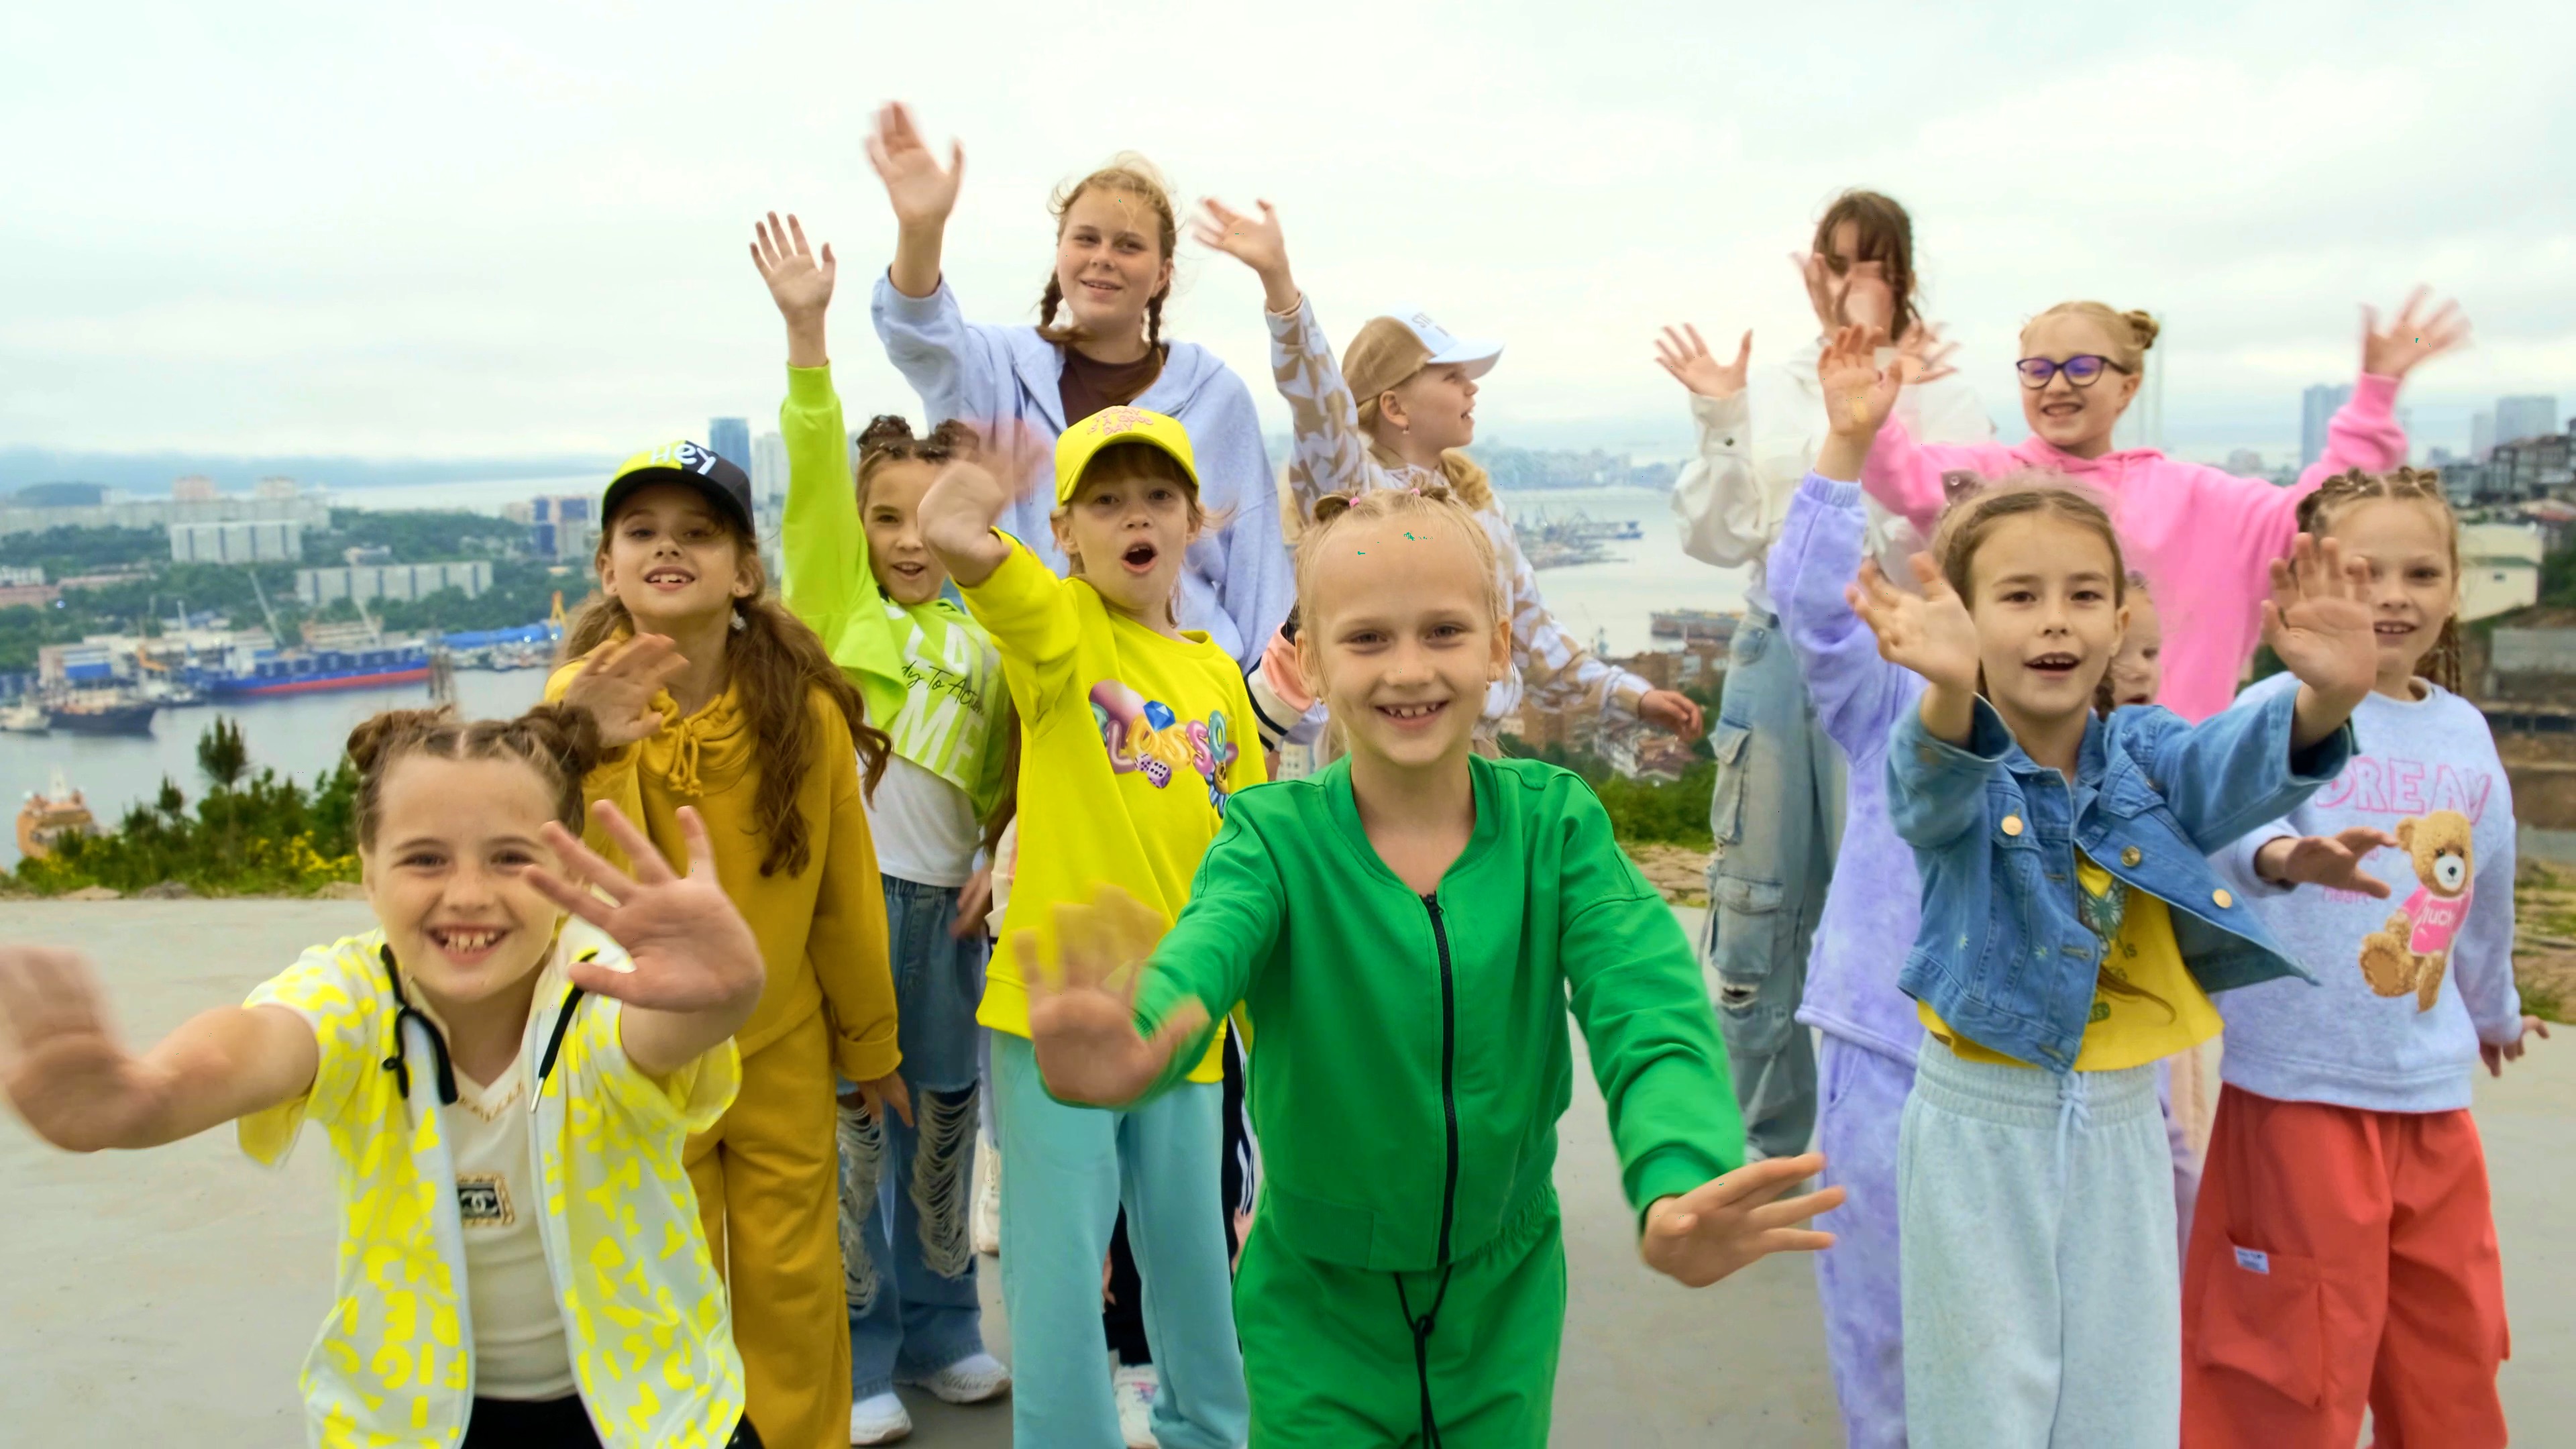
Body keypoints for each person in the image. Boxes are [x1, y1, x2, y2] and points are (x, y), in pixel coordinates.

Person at [1010, 482, 1840, 1446]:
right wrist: (1146, 1033)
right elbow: (1208, 947)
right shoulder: (1271, 840)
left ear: (1497, 646)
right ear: (1311, 663)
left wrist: (1682, 1168)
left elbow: (1645, 1002)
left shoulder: (1556, 828)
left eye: (1443, 631)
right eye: (1367, 639)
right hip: (1315, 1312)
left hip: (1504, 1303)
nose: (1409, 669)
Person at [1843, 307, 2381, 1444]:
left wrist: (2324, 696)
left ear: (2123, 618)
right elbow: (1927, 794)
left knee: (2125, 1398)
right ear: (1965, 617)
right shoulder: (1957, 758)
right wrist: (1946, 691)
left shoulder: (2145, 751)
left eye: (2085, 596)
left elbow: (2230, 767)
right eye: (2019, 597)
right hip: (1980, 1120)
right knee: (1982, 1405)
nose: (2056, 621)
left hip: (2126, 1114)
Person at [0, 706, 770, 1448]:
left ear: (570, 865)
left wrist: (725, 994)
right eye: (425, 859)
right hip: (406, 1423)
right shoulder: (351, 996)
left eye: (510, 858)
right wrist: (142, 1097)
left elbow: (660, 1030)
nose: (467, 895)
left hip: (650, 1417)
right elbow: (252, 1045)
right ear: (368, 873)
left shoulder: (600, 982)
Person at [549, 441, 902, 1449]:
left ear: (745, 571)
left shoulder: (804, 708)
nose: (669, 548)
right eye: (643, 532)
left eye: (699, 534)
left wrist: (871, 1043)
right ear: (607, 567)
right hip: (639, 1054)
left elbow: (843, 894)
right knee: (669, 1275)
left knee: (795, 1282)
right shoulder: (575, 698)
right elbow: (574, 882)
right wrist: (591, 745)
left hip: (780, 1045)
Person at [2188, 467, 2550, 1448]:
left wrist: (2493, 1010)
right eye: (2363, 573)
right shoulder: (2277, 706)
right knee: (2292, 1352)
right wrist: (2282, 857)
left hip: (2430, 1096)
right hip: (2299, 1087)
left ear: (2456, 590)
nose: (2394, 596)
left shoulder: (2465, 731)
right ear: (2310, 580)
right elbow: (2216, 830)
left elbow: (2481, 890)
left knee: (2449, 1338)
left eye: (2421, 573)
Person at [917, 406, 1257, 1449]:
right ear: (1064, 531)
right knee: (1057, 1261)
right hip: (1054, 1012)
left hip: (1185, 1014)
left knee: (1194, 1252)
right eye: (1104, 501)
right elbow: (970, 553)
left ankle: (1211, 1429)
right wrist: (961, 513)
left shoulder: (1215, 674)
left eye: (1157, 496)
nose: (1135, 518)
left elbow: (1253, 850)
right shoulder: (1062, 631)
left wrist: (1253, 1010)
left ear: (1195, 519)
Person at [1654, 189, 1994, 1165]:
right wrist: (1721, 417)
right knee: (1755, 907)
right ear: (1812, 270)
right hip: (1775, 650)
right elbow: (1718, 538)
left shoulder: (1946, 392)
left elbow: (1956, 539)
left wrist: (1890, 416)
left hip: (1892, 658)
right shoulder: (1771, 384)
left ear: (1905, 276)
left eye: (1871, 263)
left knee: (1885, 899)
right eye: (1835, 262)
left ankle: (1879, 1149)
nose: (1850, 284)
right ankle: (1767, 1156)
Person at [750, 213, 1017, 1444]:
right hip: (850, 917)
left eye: (933, 518)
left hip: (950, 915)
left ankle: (943, 1331)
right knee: (854, 1130)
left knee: (945, 1124)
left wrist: (998, 854)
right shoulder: (837, 610)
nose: (911, 541)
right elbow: (813, 482)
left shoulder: (992, 633)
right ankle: (855, 1353)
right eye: (888, 519)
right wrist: (808, 338)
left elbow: (1015, 775)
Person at [1191, 195, 1705, 753]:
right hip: (1376, 748)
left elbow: (1533, 636)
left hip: (1474, 751)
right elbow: (1319, 408)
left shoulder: (1479, 504)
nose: (1472, 388)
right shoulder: (1354, 492)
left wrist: (1632, 696)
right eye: (1452, 376)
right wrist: (1281, 288)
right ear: (1395, 407)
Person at [1855, 289, 2467, 722]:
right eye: (2037, 369)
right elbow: (1898, 474)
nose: (2057, 384)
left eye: (2082, 367)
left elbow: (2317, 513)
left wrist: (2378, 388)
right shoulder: (1991, 482)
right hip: (2020, 772)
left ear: (2129, 385)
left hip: (2171, 780)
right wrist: (1871, 394)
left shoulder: (2201, 500)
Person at [864, 101, 1289, 669]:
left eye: (1128, 245)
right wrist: (921, 230)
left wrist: (1263, 709)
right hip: (1038, 680)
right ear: (1060, 252)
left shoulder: (1215, 395)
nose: (1103, 259)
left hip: (1184, 692)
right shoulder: (1000, 370)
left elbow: (1257, 571)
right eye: (1086, 239)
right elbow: (918, 335)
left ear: (1163, 273)